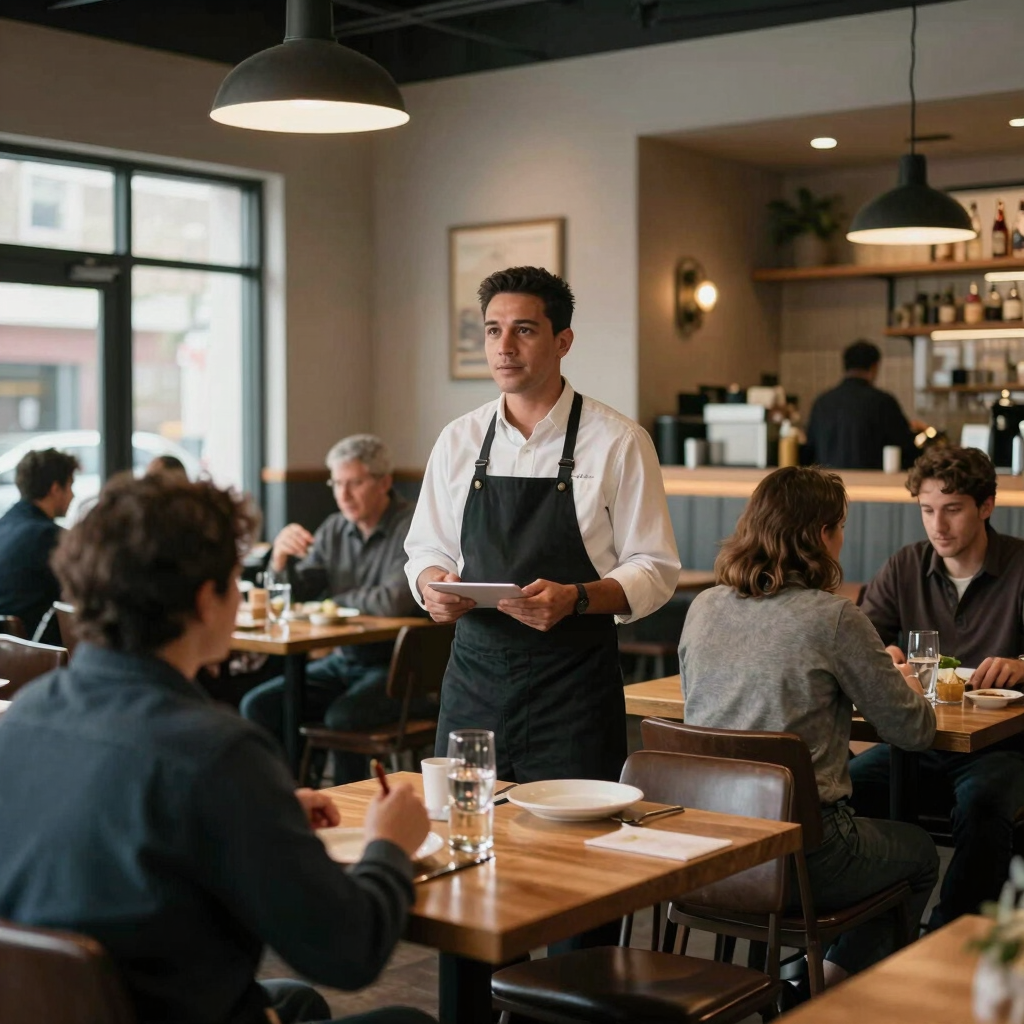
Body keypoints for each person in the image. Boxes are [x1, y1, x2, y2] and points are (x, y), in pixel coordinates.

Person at [0, 473, 435, 1024]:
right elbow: (350, 953)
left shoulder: (23, 715)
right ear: (208, 600)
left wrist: (265, 810)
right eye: (236, 582)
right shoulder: (217, 753)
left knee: (296, 1001)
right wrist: (389, 846)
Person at [405, 266, 680, 785]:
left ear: (563, 340)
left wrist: (575, 598)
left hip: (573, 690)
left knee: (575, 849)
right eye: (492, 330)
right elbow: (425, 549)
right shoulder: (458, 441)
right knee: (467, 836)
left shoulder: (619, 441)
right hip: (474, 684)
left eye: (523, 330)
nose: (504, 346)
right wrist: (430, 586)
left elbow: (655, 568)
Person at [679, 466, 938, 986]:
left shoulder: (703, 607)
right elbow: (914, 733)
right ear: (822, 535)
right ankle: (819, 991)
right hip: (801, 859)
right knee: (920, 853)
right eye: (839, 527)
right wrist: (908, 690)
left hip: (701, 849)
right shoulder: (833, 618)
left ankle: (793, 976)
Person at [852, 444, 1024, 930]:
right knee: (843, 789)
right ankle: (869, 933)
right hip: (917, 743)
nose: (938, 526)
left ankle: (947, 936)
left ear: (986, 506)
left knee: (983, 806)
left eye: (952, 510)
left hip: (1003, 747)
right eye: (927, 511)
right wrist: (883, 654)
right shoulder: (906, 566)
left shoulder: (1020, 566)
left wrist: (1021, 665)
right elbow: (866, 637)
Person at [241, 434, 424, 782]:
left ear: (384, 482)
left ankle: (347, 810)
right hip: (343, 661)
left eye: (354, 483)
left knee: (342, 716)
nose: (343, 494)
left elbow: (395, 600)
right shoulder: (334, 528)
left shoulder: (413, 525)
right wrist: (279, 558)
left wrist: (330, 603)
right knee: (260, 705)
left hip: (399, 670)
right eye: (337, 483)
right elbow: (296, 593)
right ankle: (287, 799)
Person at [0, 447, 78, 643]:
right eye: (70, 486)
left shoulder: (5, 524)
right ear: (55, 489)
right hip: (36, 653)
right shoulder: (49, 537)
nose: (73, 496)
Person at [804, 339, 920, 470]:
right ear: (874, 367)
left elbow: (809, 450)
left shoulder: (822, 402)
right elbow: (906, 449)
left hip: (827, 485)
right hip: (872, 484)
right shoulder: (883, 402)